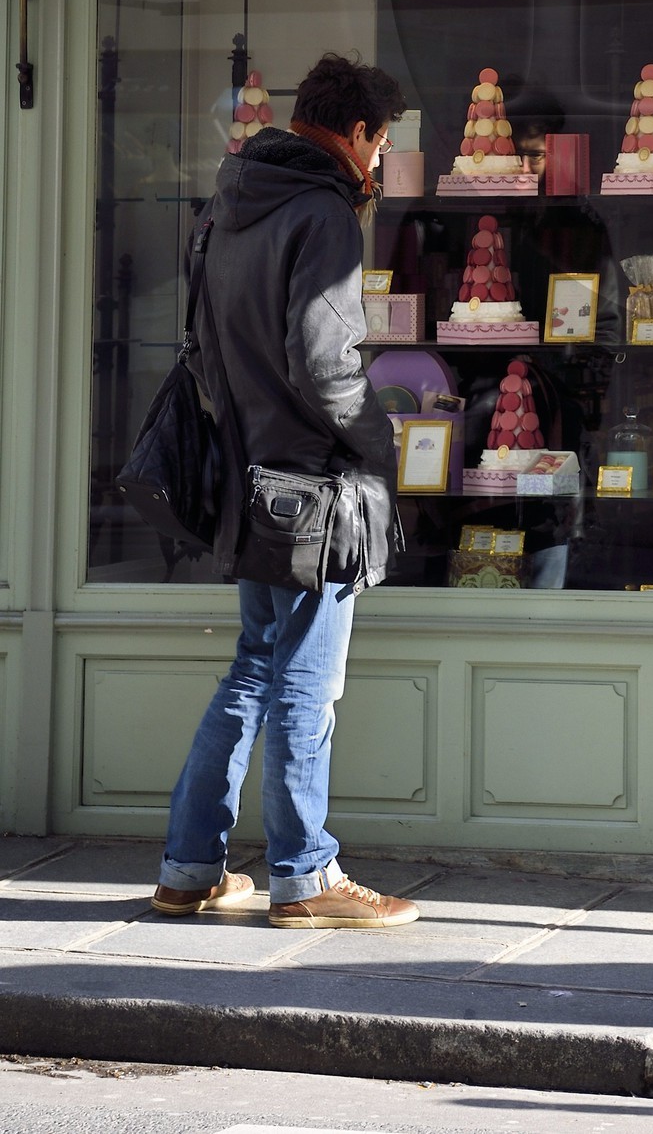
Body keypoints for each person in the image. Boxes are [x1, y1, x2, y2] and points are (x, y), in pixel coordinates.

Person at [151, 52, 421, 930]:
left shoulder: (231, 202)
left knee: (256, 666)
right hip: (314, 486)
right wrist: (381, 450)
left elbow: (204, 349)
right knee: (308, 677)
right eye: (379, 147)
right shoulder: (324, 212)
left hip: (248, 473)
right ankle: (305, 877)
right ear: (355, 134)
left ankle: (191, 865)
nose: (378, 165)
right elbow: (328, 361)